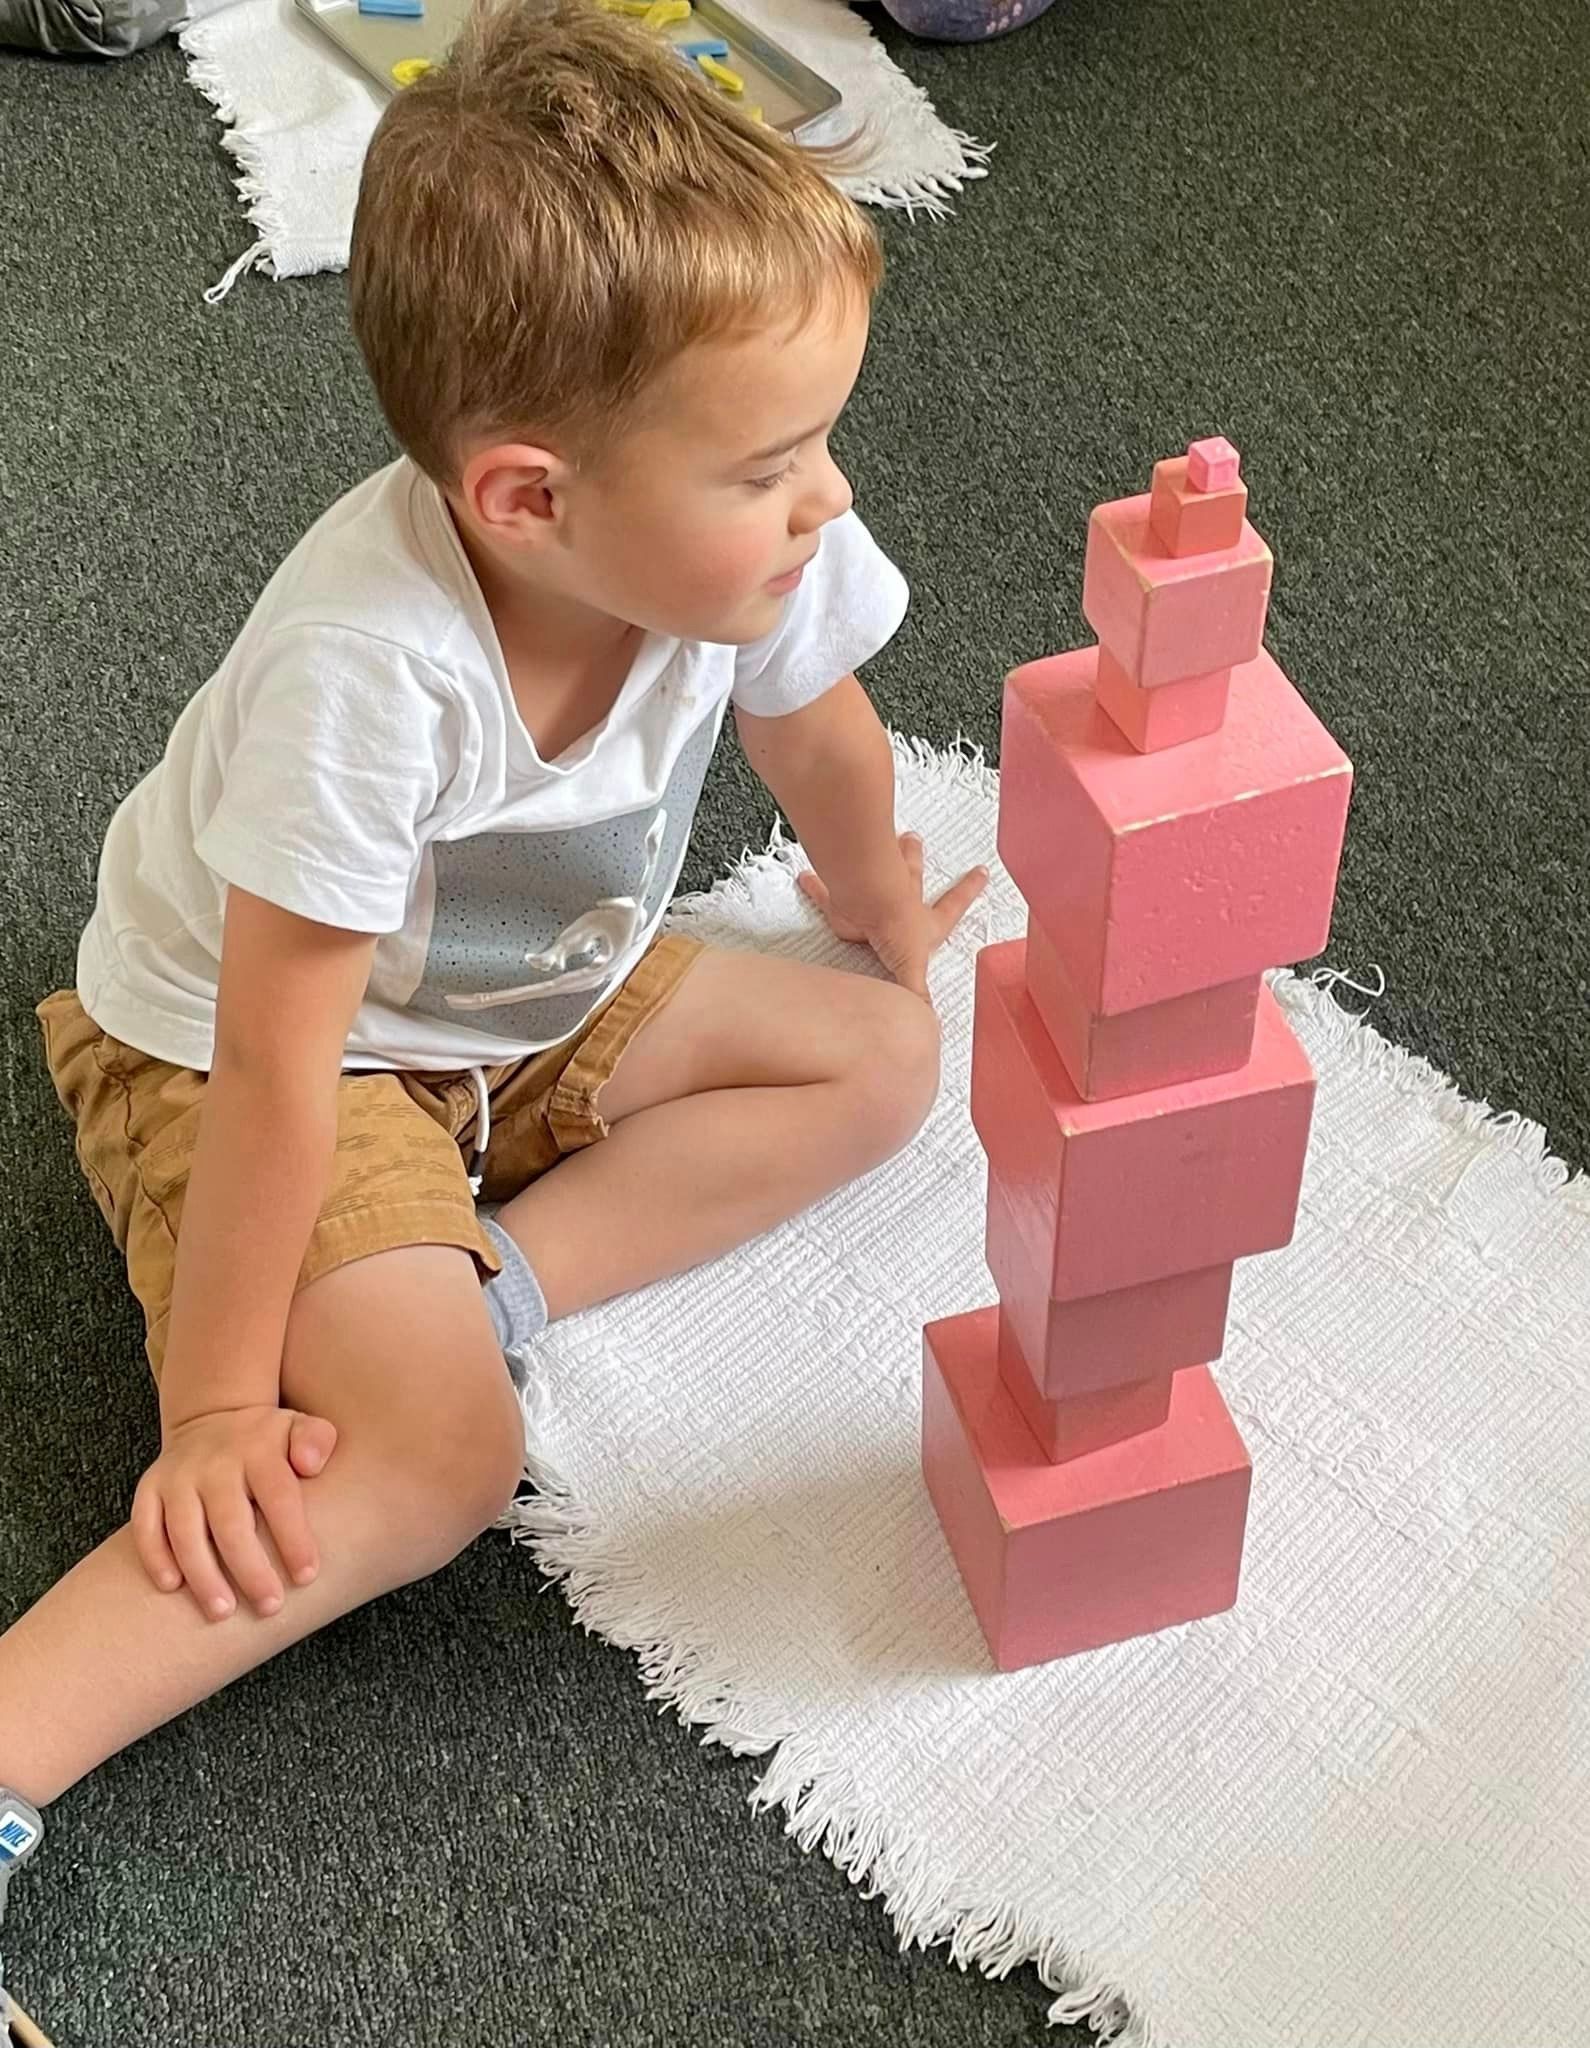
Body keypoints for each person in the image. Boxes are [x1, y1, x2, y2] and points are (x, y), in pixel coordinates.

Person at [0, 0, 987, 2024]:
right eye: (772, 466)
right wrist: (209, 1414)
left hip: (507, 999)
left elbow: (819, 728)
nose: (827, 502)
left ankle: (479, 1277)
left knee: (883, 1053)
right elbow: (281, 1061)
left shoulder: (749, 539)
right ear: (530, 499)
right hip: (249, 1050)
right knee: (435, 1463)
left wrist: (878, 889)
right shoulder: (367, 673)